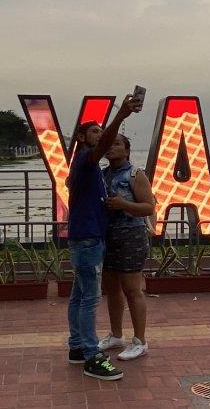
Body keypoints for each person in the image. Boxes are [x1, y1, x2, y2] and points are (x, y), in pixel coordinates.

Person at [66, 93, 143, 381]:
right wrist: (121, 114)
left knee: (78, 296)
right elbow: (104, 144)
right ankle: (90, 355)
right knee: (89, 299)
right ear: (83, 138)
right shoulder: (87, 158)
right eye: (95, 131)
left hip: (84, 237)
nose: (101, 134)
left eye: (101, 129)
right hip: (88, 239)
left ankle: (76, 347)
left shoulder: (86, 166)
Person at [97, 134, 156, 361]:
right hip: (108, 235)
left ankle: (140, 341)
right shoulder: (102, 175)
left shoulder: (136, 174)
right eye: (108, 145)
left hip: (131, 235)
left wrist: (123, 204)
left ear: (127, 150)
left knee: (132, 288)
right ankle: (116, 335)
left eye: (116, 144)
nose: (111, 148)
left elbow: (148, 207)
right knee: (111, 288)